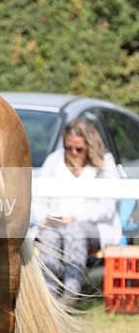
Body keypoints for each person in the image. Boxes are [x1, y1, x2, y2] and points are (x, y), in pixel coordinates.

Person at [32, 118, 123, 307]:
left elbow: (107, 207)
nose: (73, 152)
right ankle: (49, 296)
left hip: (93, 227)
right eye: (68, 147)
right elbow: (39, 199)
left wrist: (76, 217)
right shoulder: (54, 161)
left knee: (74, 230)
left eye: (79, 149)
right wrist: (46, 217)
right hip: (56, 225)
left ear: (89, 146)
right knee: (48, 234)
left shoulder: (104, 164)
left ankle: (70, 294)